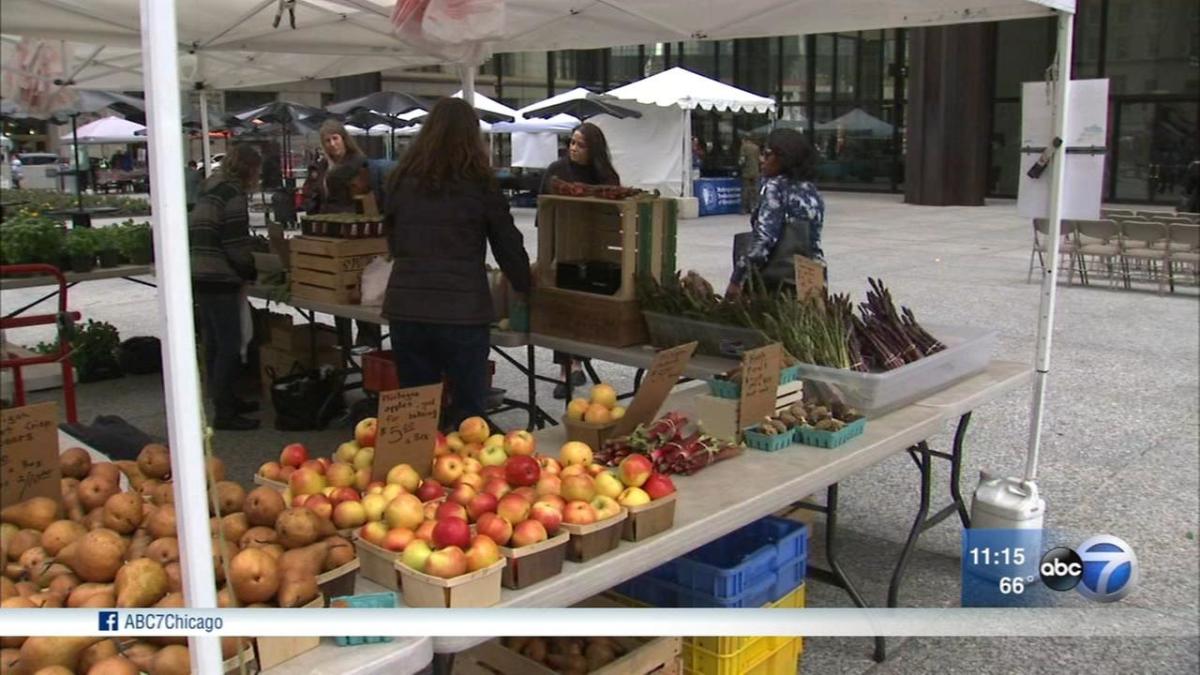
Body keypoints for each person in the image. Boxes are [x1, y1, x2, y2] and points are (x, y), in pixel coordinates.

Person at [382, 98, 531, 428]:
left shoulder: (400, 179)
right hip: (461, 311)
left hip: (408, 307)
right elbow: (507, 243)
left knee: (417, 415)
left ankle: (415, 475)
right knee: (468, 418)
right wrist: (527, 287)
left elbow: (392, 239)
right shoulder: (479, 182)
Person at [538, 123, 620, 399]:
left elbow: (614, 215)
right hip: (561, 246)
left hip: (595, 250)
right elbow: (543, 212)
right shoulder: (556, 170)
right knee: (563, 304)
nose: (573, 148)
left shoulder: (606, 176)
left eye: (580, 144)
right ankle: (565, 369)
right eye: (572, 142)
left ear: (593, 148)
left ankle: (578, 360)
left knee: (587, 305)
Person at [189, 144, 262, 431]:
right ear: (249, 169)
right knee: (230, 344)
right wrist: (249, 269)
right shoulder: (232, 194)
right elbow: (234, 244)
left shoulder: (210, 188)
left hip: (199, 270)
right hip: (219, 275)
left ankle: (225, 398)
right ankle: (225, 412)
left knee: (214, 342)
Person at [727, 128, 825, 297]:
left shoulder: (775, 188)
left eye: (766, 153)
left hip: (778, 282)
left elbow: (763, 242)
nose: (761, 160)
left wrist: (736, 280)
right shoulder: (811, 190)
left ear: (783, 157)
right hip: (811, 275)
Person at [303, 119, 371, 215]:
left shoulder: (358, 163)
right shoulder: (320, 166)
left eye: (335, 138)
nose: (332, 144)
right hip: (324, 221)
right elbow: (310, 193)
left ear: (343, 139)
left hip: (350, 220)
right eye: (328, 140)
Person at [739, 136, 761, 214]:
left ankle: (744, 209)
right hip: (755, 172)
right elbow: (759, 160)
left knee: (745, 190)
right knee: (755, 191)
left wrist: (740, 165)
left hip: (746, 172)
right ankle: (754, 208)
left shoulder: (744, 147)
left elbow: (742, 160)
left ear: (744, 140)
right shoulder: (756, 147)